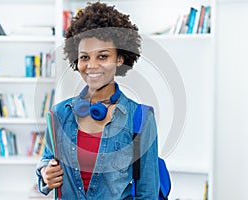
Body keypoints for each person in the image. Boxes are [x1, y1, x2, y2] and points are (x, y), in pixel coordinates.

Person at [36, 2, 159, 199]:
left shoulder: (141, 118)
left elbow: (148, 191)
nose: (91, 66)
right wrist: (44, 173)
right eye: (85, 57)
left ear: (119, 58)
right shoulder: (58, 114)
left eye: (102, 56)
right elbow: (47, 161)